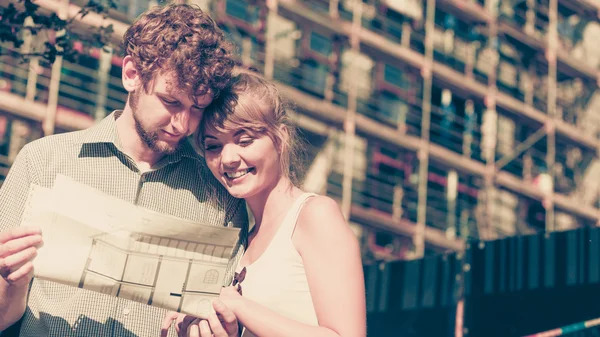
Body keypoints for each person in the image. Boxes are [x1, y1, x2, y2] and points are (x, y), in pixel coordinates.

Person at [0, 4, 247, 337]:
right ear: (131, 74)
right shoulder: (42, 161)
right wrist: (9, 278)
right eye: (171, 101)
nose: (183, 123)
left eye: (197, 109)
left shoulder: (220, 197)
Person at [170, 69, 367, 337]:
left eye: (245, 140)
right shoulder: (243, 242)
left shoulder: (314, 216)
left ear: (280, 137)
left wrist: (237, 304)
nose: (228, 158)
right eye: (213, 146)